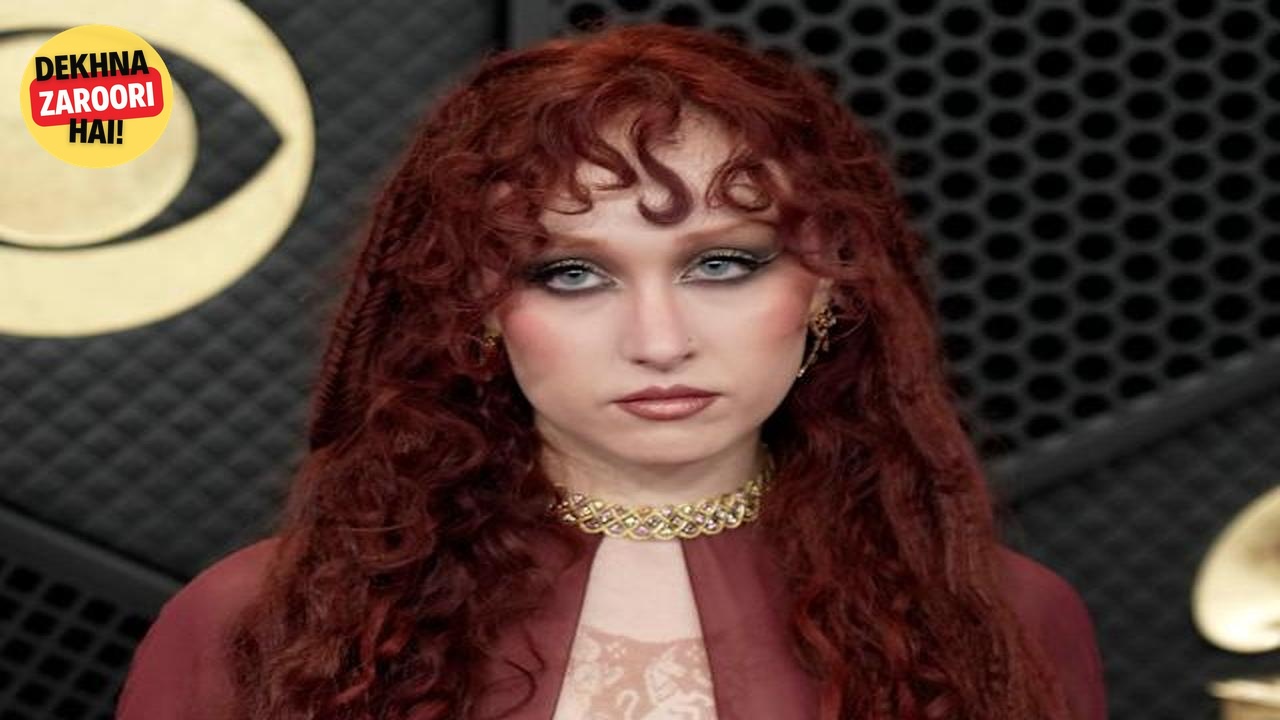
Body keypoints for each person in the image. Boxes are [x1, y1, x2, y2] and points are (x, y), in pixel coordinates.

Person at [115, 21, 1106, 720]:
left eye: (722, 264)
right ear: (476, 305)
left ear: (828, 288)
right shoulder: (257, 621)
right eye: (571, 274)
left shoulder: (1003, 621)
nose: (658, 338)